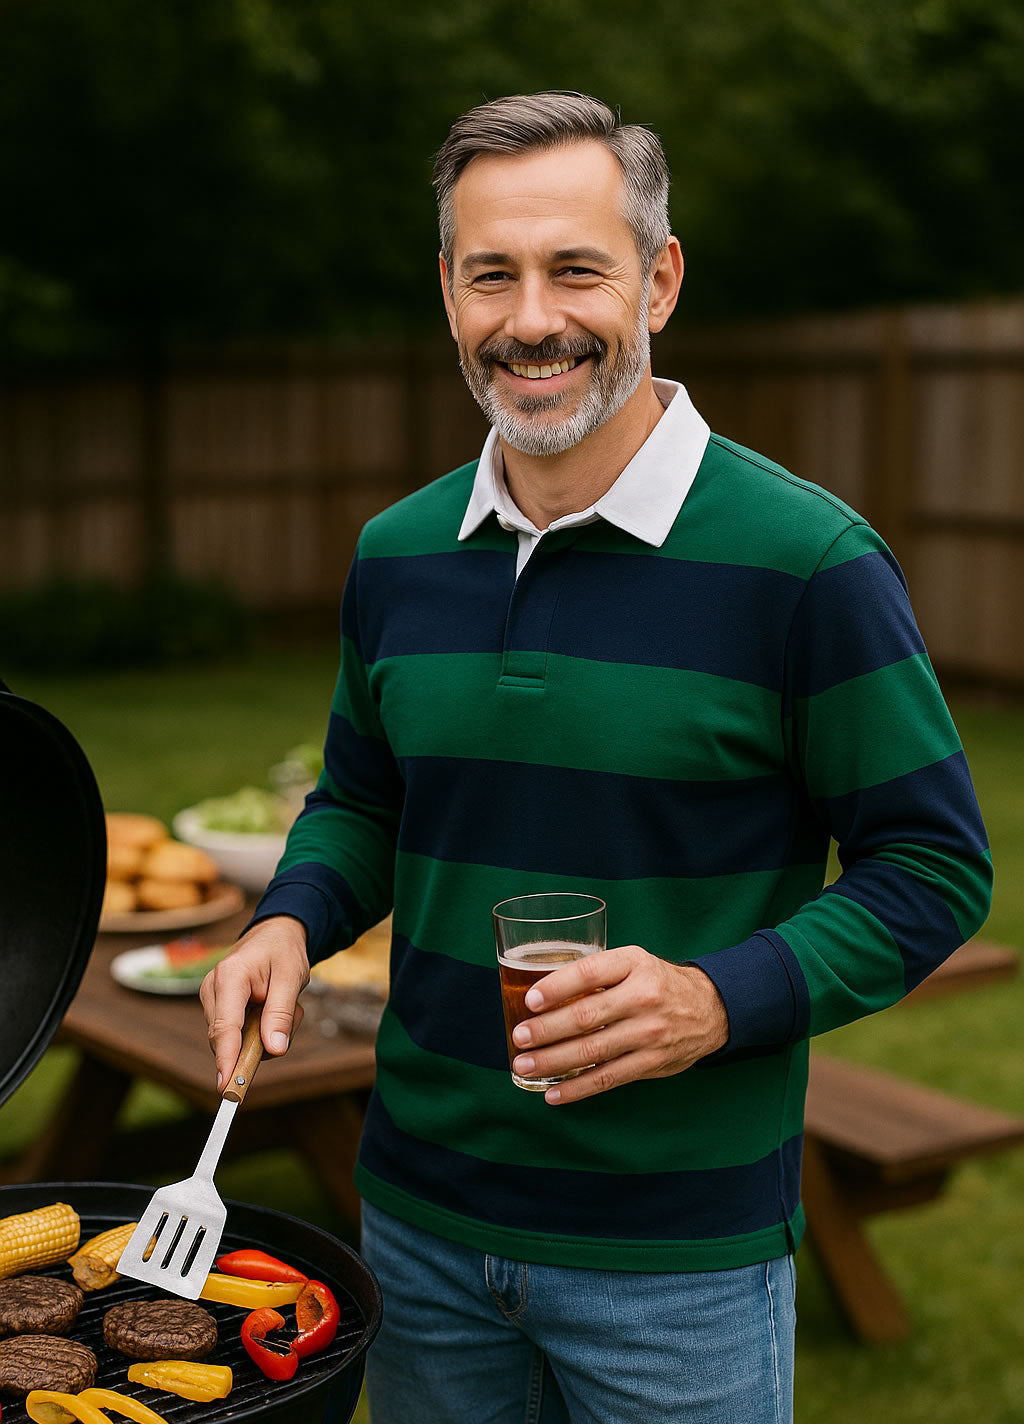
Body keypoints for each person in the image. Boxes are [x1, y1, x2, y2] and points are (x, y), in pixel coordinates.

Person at [201, 92, 992, 1423]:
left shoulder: (807, 564)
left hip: (676, 1259)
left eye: (578, 269)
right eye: (489, 273)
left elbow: (932, 868)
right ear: (449, 295)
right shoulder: (396, 555)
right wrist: (291, 917)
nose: (532, 319)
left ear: (660, 281)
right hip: (417, 1223)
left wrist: (715, 998)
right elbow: (363, 801)